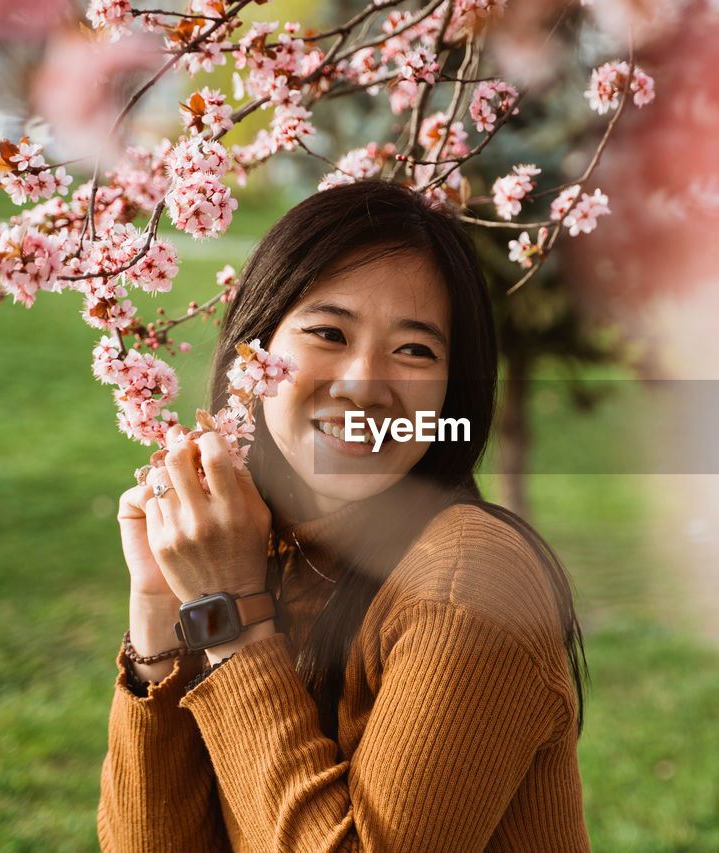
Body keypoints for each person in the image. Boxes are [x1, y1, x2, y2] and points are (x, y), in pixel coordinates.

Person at [98, 180, 591, 852]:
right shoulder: (260, 545)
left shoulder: (467, 579)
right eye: (329, 332)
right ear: (254, 353)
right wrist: (161, 609)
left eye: (415, 350)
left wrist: (228, 611)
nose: (363, 383)